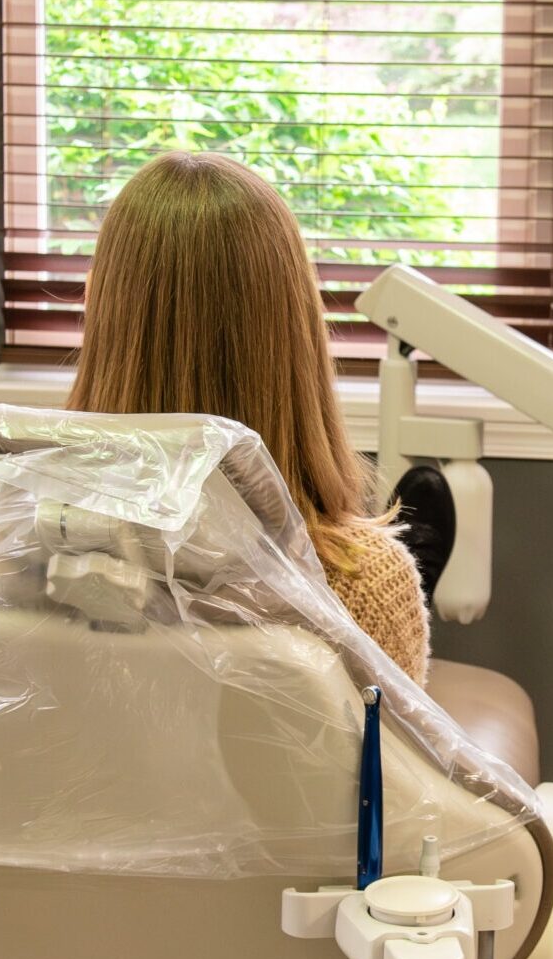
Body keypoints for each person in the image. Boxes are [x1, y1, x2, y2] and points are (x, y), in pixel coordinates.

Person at [67, 150, 429, 683]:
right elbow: (404, 763)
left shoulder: (11, 565)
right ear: (297, 327)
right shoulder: (363, 590)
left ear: (97, 306)